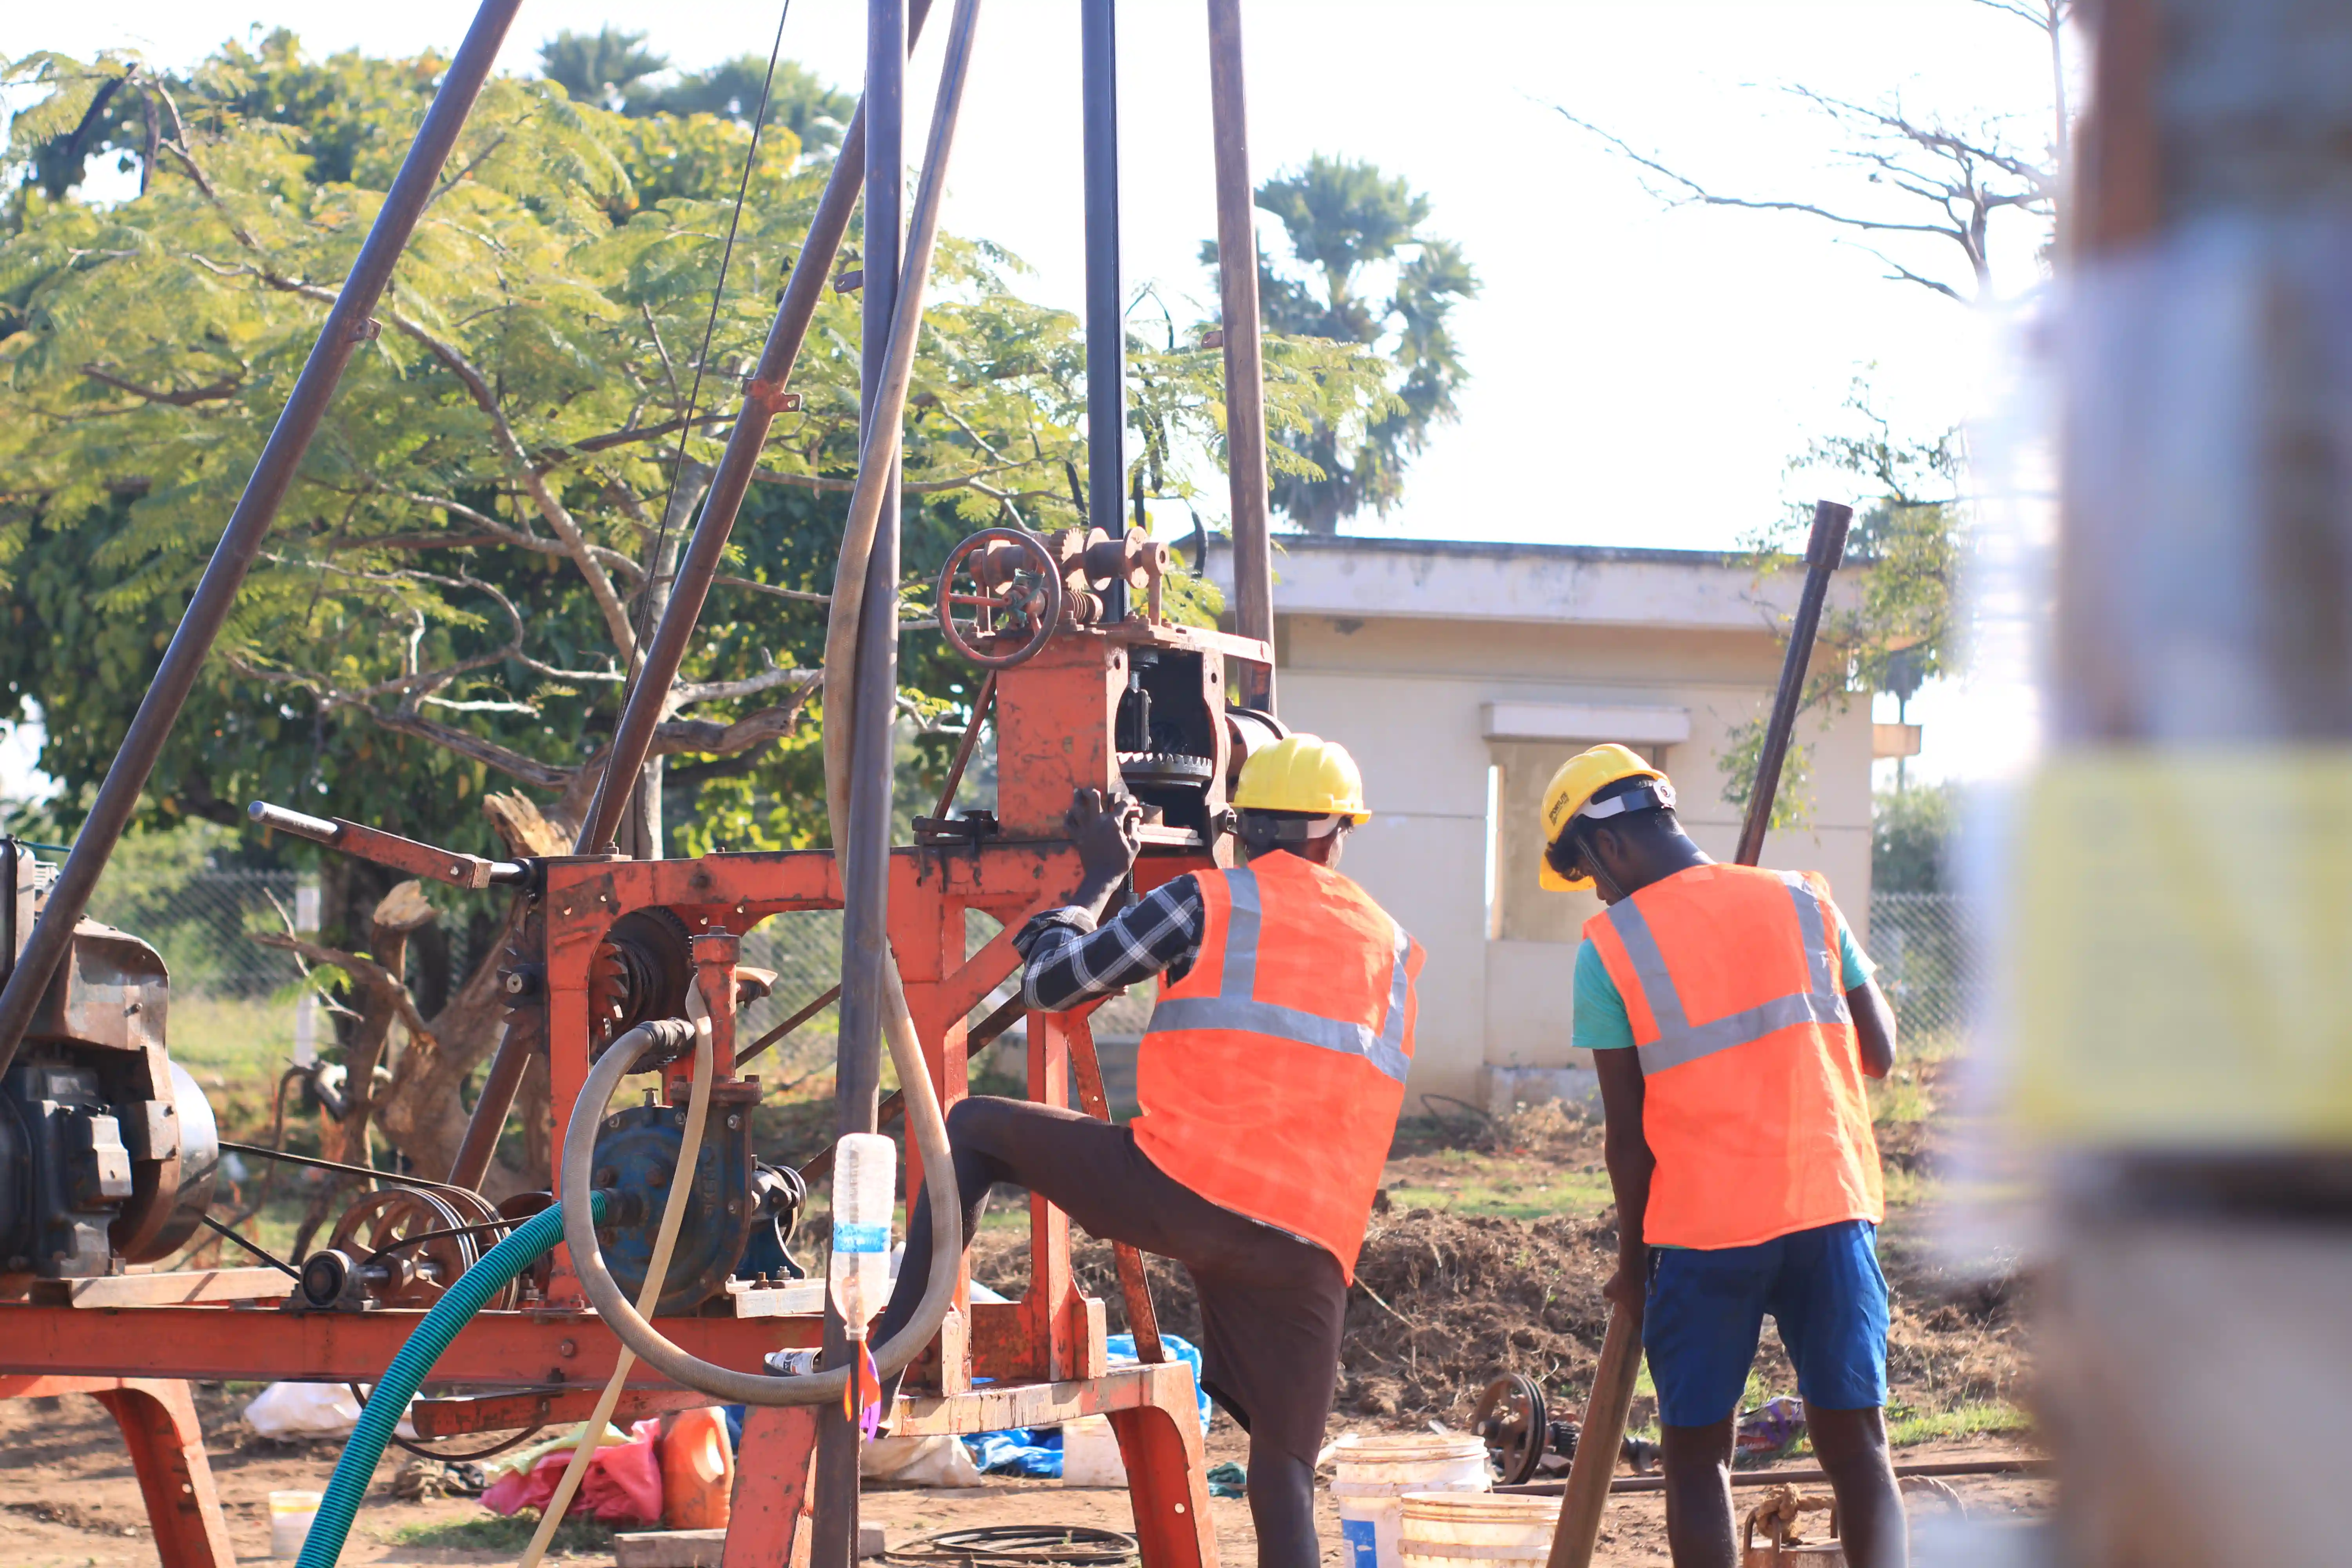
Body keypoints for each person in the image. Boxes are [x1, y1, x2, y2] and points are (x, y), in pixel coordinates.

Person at [833, 734, 1420, 1568]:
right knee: (1284, 1474)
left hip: (1181, 1190)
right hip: (1311, 1243)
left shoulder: (1203, 900)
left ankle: (882, 1370)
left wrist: (1102, 876)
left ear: (1241, 826)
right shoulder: (1391, 946)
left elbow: (1051, 985)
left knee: (970, 1128)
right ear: (1337, 836)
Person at [1538, 744, 1907, 1568]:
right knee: (1860, 1452)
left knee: (1698, 1459)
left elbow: (1627, 1139)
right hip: (1830, 1207)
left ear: (1613, 843)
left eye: (1585, 869)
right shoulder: (1807, 899)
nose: (1595, 891)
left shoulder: (1611, 948)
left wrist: (1634, 1263)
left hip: (1706, 1234)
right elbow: (1878, 1052)